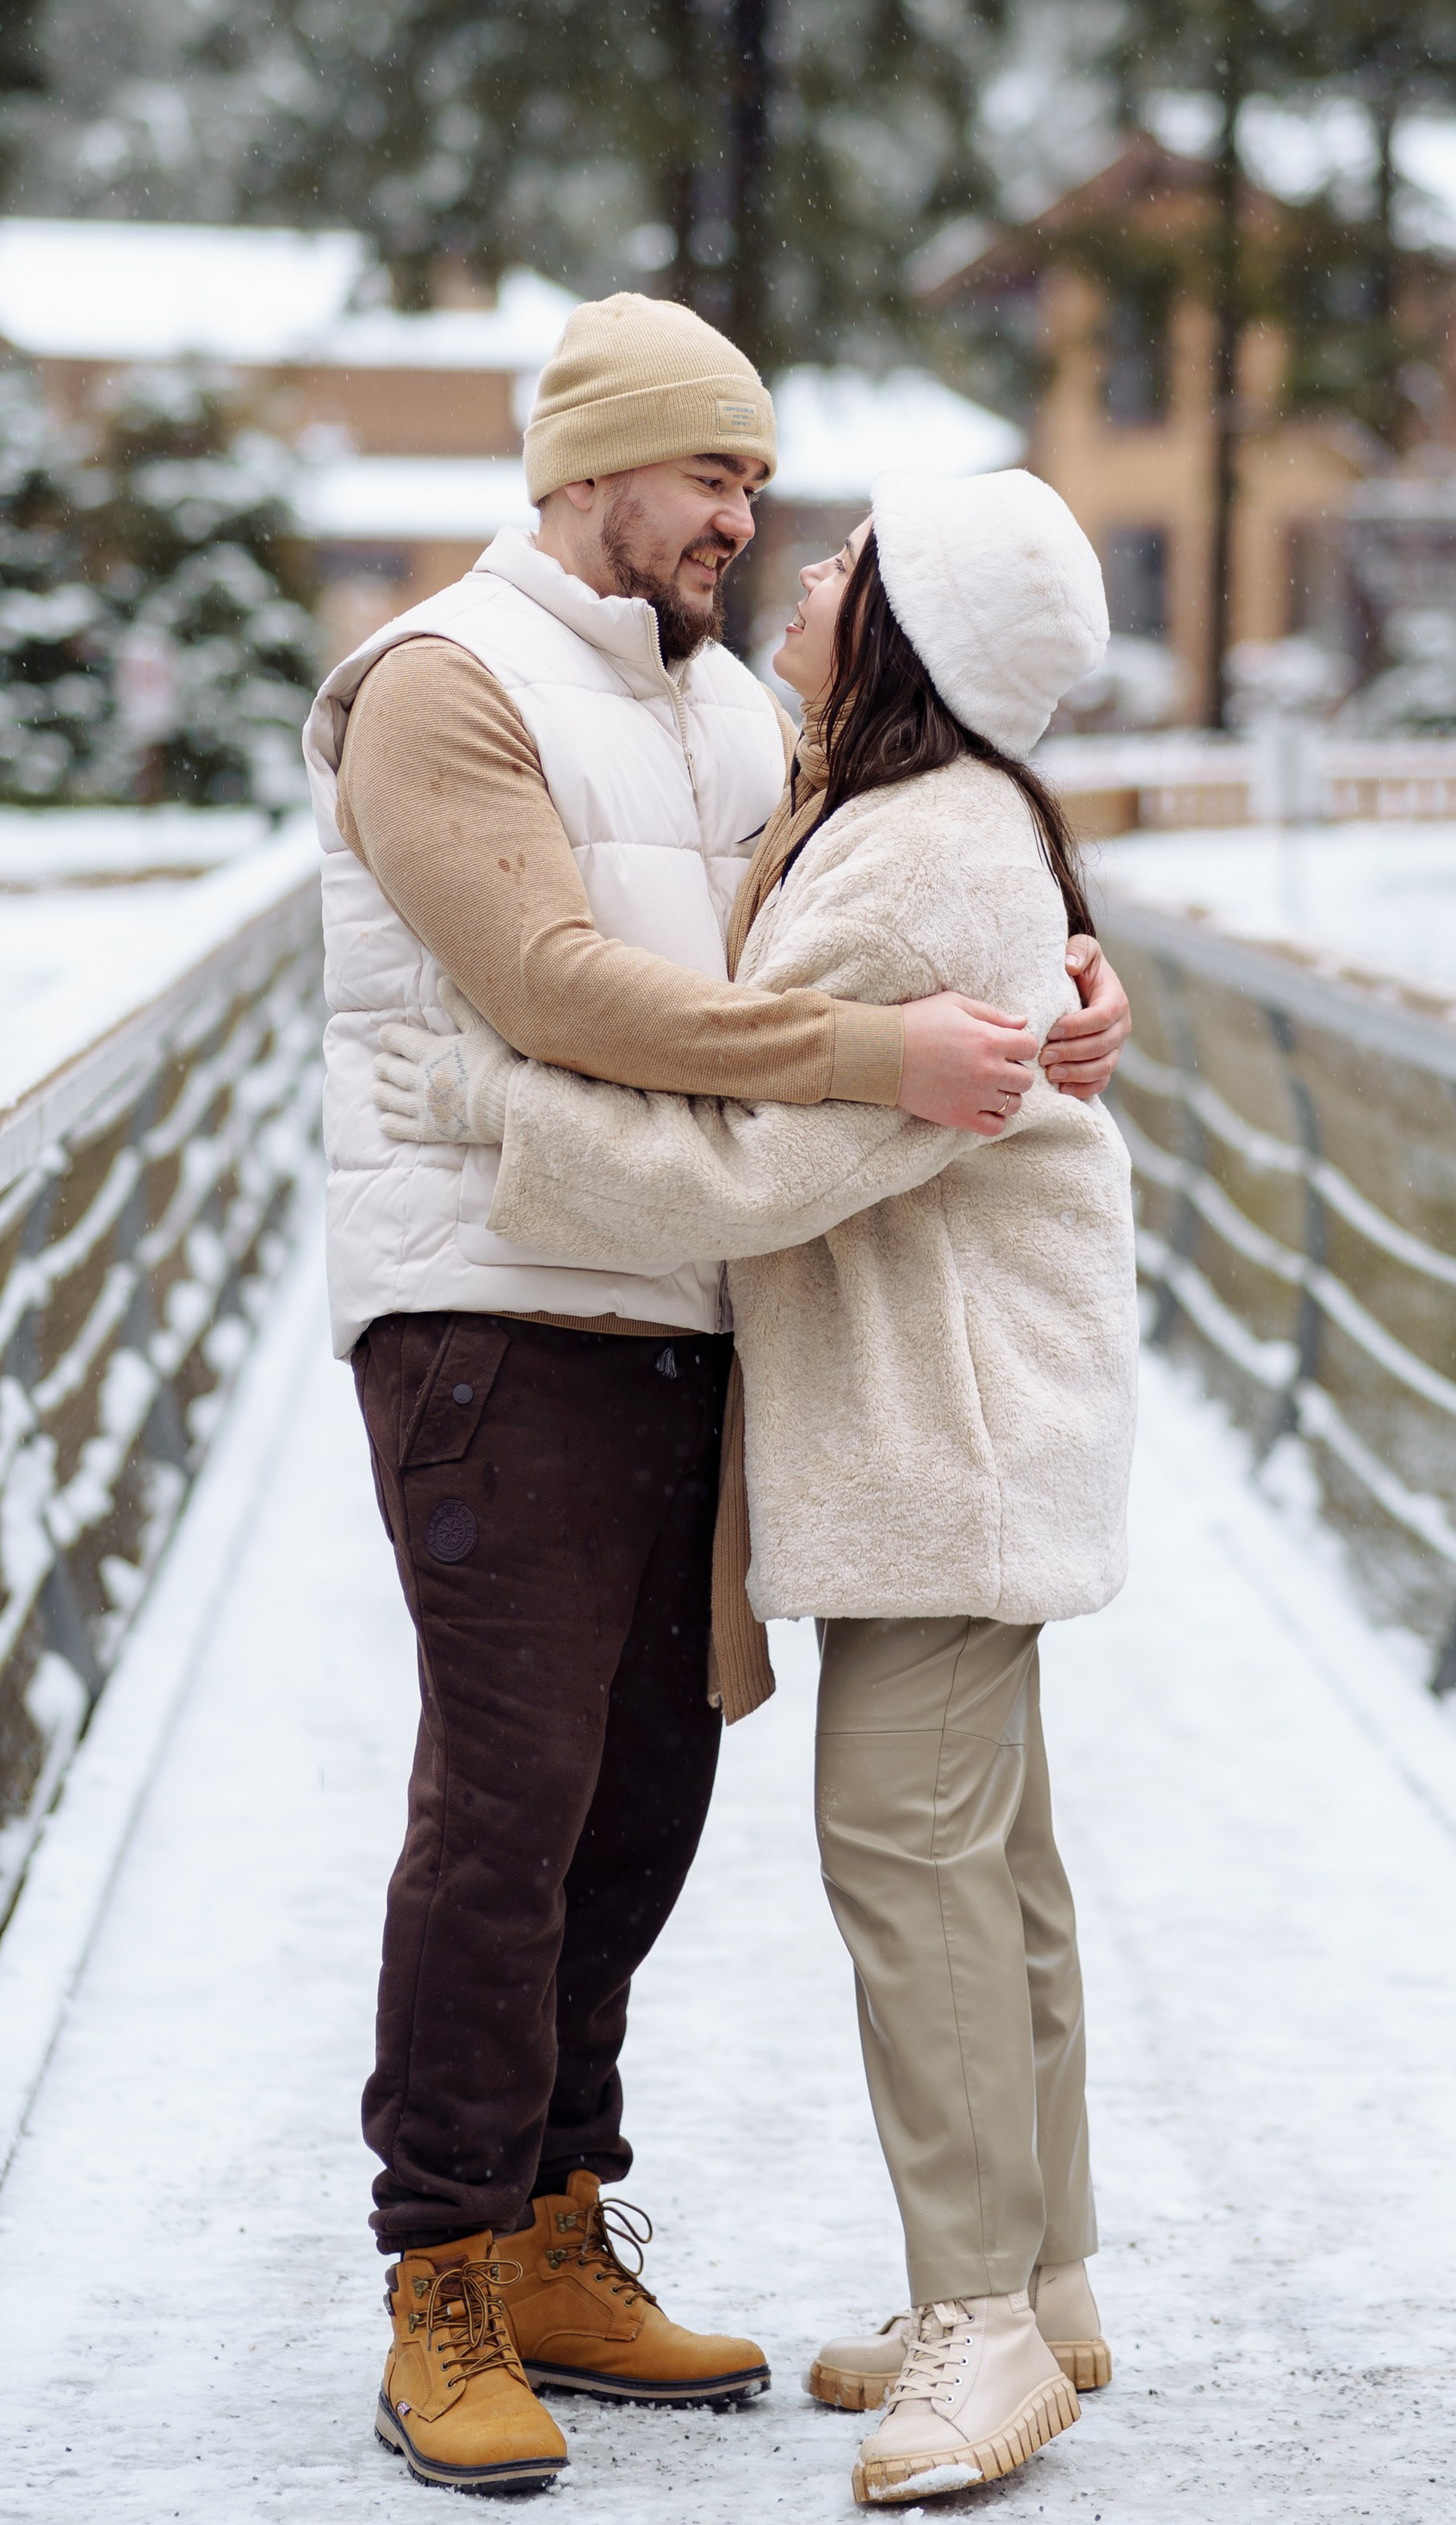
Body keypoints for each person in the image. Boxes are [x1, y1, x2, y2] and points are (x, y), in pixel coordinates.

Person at [300, 295, 1131, 2496]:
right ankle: (442, 2272)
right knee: (505, 1805)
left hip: (688, 1311)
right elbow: (558, 991)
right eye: (712, 478)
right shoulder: (437, 693)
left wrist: (1054, 972)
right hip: (490, 1312)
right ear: (585, 470)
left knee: (636, 1797)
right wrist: (902, 1048)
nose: (748, 526)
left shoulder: (722, 717)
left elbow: (894, 882)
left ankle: (564, 2214)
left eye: (769, 490)